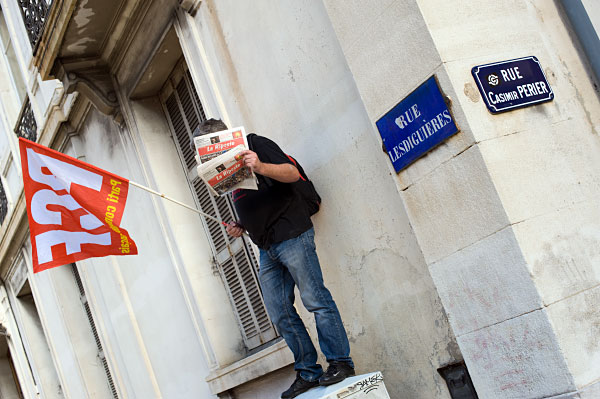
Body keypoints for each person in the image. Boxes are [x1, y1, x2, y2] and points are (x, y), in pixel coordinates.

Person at [193, 119, 354, 399]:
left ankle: (341, 363)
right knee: (279, 312)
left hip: (291, 232)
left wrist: (260, 165)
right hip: (267, 246)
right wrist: (241, 226)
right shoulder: (228, 167)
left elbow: (292, 174)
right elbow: (256, 199)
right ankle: (308, 372)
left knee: (315, 299)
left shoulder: (256, 144)